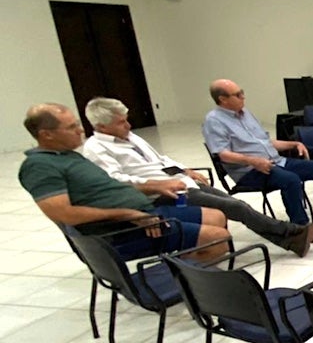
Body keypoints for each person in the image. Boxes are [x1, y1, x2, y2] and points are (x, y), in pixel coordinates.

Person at [82, 98, 313, 257]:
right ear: (102, 127)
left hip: (182, 183)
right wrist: (161, 184)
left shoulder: (131, 137)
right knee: (236, 207)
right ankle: (291, 235)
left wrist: (185, 170)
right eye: (121, 122)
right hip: (161, 194)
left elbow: (161, 160)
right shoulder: (96, 149)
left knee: (235, 206)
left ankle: (291, 237)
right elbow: (117, 181)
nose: (128, 125)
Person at [18, 103, 230, 262]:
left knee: (217, 216)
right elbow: (64, 214)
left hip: (142, 214)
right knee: (218, 239)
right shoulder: (39, 167)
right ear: (46, 135)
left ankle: (183, 268)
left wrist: (154, 186)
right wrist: (128, 214)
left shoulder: (68, 156)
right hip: (119, 231)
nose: (80, 130)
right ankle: (185, 278)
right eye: (71, 127)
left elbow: (109, 188)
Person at [202, 79, 313, 226]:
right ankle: (300, 227)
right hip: (250, 170)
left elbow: (266, 142)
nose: (243, 97)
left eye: (242, 93)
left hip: (275, 162)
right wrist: (253, 161)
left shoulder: (246, 113)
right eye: (238, 95)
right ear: (223, 99)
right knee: (290, 180)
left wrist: (294, 143)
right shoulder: (214, 121)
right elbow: (222, 154)